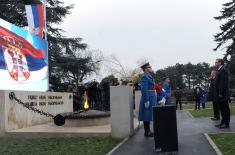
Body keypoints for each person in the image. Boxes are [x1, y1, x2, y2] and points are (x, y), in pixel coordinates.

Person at [138, 62, 157, 137]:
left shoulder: (149, 76)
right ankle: (147, 131)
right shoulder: (145, 77)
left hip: (151, 97)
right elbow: (144, 89)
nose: (151, 68)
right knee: (146, 115)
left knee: (148, 115)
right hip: (148, 98)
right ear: (145, 69)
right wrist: (146, 100)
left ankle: (148, 131)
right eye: (149, 67)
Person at [214, 58, 230, 129]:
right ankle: (223, 122)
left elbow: (223, 83)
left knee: (225, 109)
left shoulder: (223, 70)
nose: (215, 63)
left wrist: (221, 93)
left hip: (222, 94)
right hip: (220, 94)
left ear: (220, 63)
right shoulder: (219, 70)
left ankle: (226, 124)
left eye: (216, 62)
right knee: (222, 109)